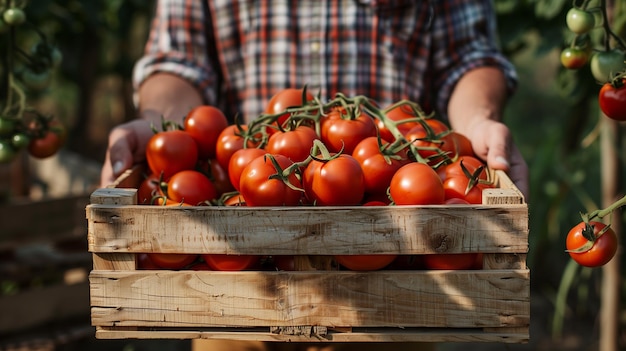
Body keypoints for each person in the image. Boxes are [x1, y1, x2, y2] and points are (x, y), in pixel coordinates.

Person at [99, 1, 529, 350]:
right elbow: (178, 60)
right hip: (237, 292)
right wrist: (161, 124)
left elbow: (470, 56)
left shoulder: (365, 157)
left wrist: (478, 123)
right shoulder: (275, 160)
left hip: (395, 297)